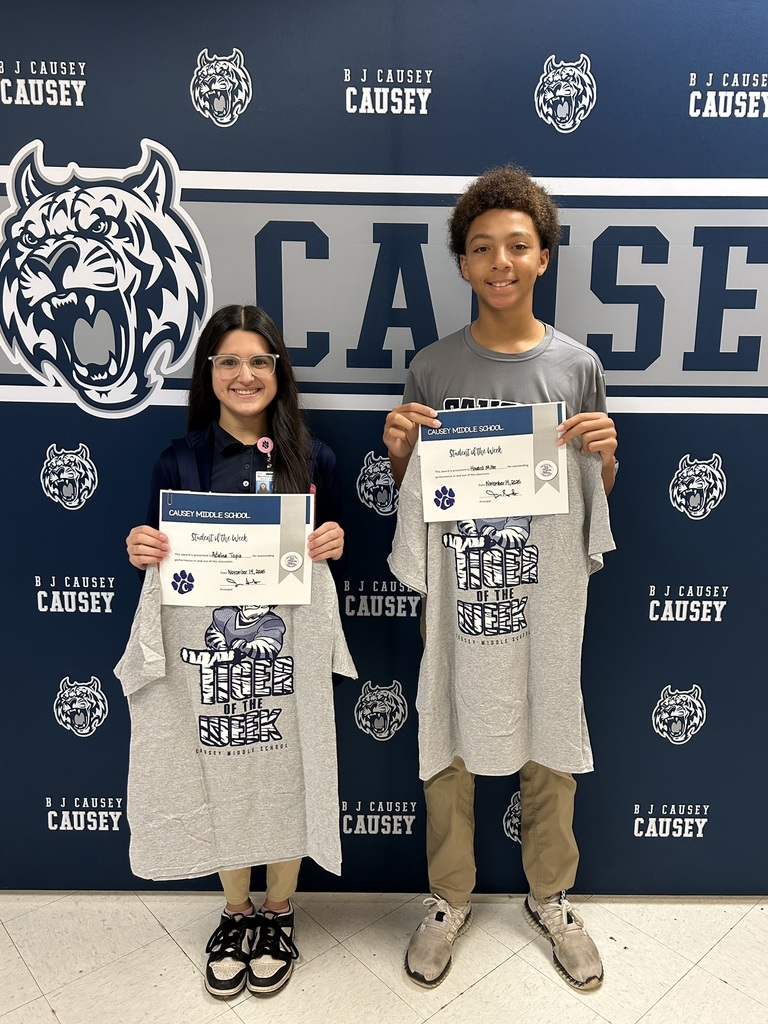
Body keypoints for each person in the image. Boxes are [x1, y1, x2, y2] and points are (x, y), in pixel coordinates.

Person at [384, 166, 618, 991]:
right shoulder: (433, 368)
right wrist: (401, 453)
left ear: (543, 256)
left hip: (541, 592)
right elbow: (416, 496)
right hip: (460, 592)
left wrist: (606, 457)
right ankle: (448, 899)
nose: (500, 262)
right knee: (446, 729)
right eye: (482, 247)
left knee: (549, 728)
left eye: (517, 245)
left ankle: (551, 896)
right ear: (463, 263)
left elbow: (592, 499)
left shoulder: (577, 365)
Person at [126, 304, 347, 999]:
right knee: (220, 769)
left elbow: (331, 557)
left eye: (258, 360)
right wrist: (141, 547)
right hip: (211, 658)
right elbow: (158, 557)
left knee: (286, 768)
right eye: (229, 361)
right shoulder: (179, 459)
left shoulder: (315, 458)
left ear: (278, 372)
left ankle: (279, 912)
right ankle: (236, 911)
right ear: (209, 372)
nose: (244, 374)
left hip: (282, 657)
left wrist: (334, 540)